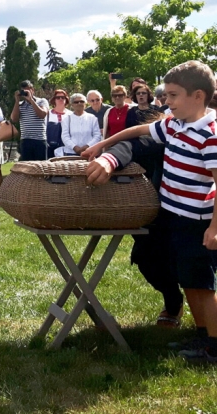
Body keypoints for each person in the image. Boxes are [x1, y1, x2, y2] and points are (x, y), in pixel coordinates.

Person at [84, 60, 217, 364]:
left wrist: (214, 227)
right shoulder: (174, 123)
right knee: (190, 282)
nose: (164, 101)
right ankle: (201, 335)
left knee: (202, 285)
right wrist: (105, 144)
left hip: (197, 221)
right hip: (174, 216)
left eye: (172, 95)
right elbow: (141, 131)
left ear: (198, 96)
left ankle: (214, 344)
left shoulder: (210, 133)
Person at [10, 80, 49, 161]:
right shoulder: (20, 104)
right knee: (27, 168)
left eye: (28, 89)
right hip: (25, 140)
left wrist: (31, 100)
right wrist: (17, 101)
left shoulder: (42, 101)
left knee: (41, 167)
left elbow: (42, 114)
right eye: (23, 90)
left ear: (33, 90)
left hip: (40, 140)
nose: (26, 92)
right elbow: (14, 119)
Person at [46, 89, 69, 158]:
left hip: (66, 146)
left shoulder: (70, 114)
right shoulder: (47, 114)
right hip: (50, 147)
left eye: (63, 97)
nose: (60, 99)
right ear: (54, 100)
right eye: (58, 97)